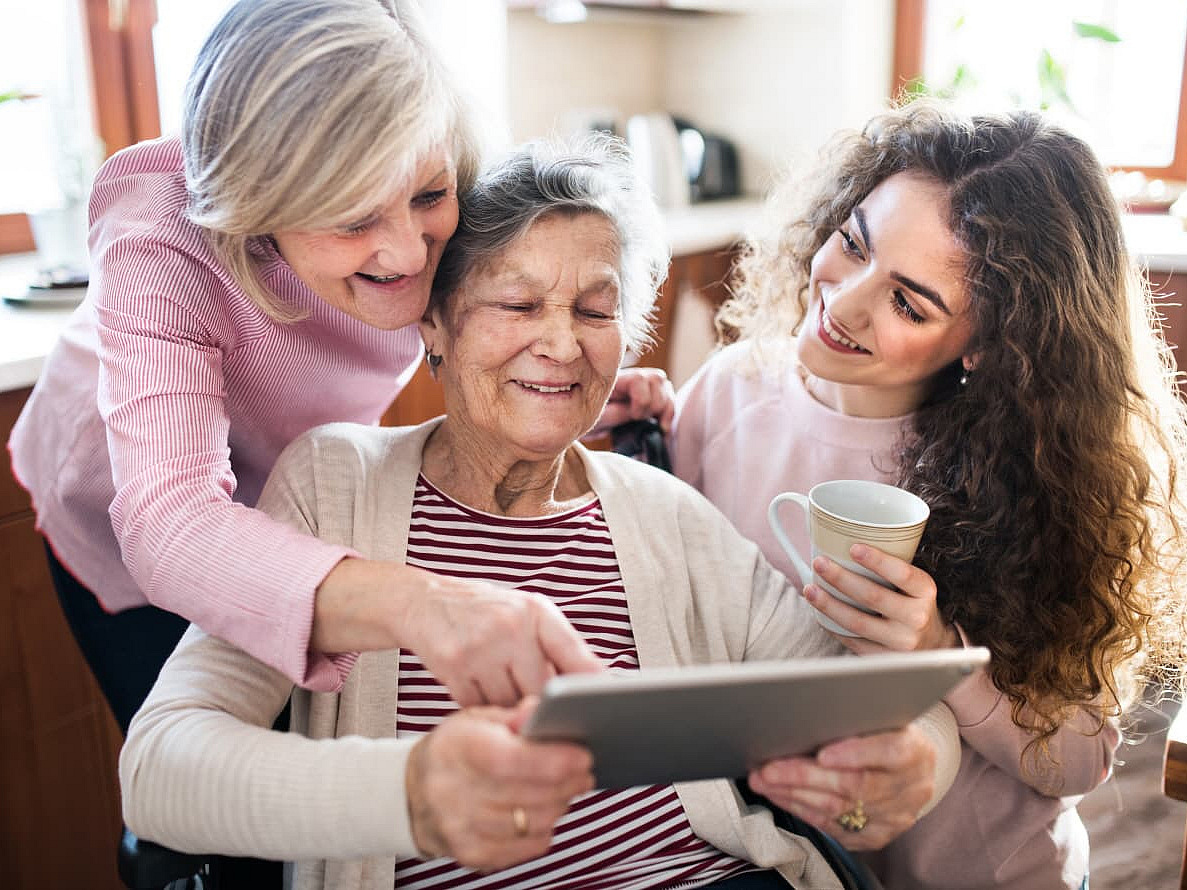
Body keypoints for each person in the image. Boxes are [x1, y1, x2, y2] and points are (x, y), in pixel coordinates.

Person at [120, 135, 962, 890]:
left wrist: (914, 760)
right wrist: (410, 793)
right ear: (436, 325)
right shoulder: (336, 485)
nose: (562, 344)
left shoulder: (665, 515)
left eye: (595, 311)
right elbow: (159, 772)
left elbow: (885, 704)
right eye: (518, 306)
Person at [6, 0, 672, 737]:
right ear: (259, 206)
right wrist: (427, 604)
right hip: (125, 509)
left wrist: (555, 389)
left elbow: (494, 316)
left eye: (427, 196)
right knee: (219, 777)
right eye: (353, 218)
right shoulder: (160, 231)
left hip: (292, 482)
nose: (412, 255)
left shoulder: (447, 165)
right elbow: (171, 526)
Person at [670, 99, 1187, 890]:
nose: (842, 303)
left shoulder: (1045, 478)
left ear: (989, 344)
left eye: (909, 302)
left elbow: (1078, 763)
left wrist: (939, 654)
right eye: (851, 244)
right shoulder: (726, 394)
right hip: (799, 869)